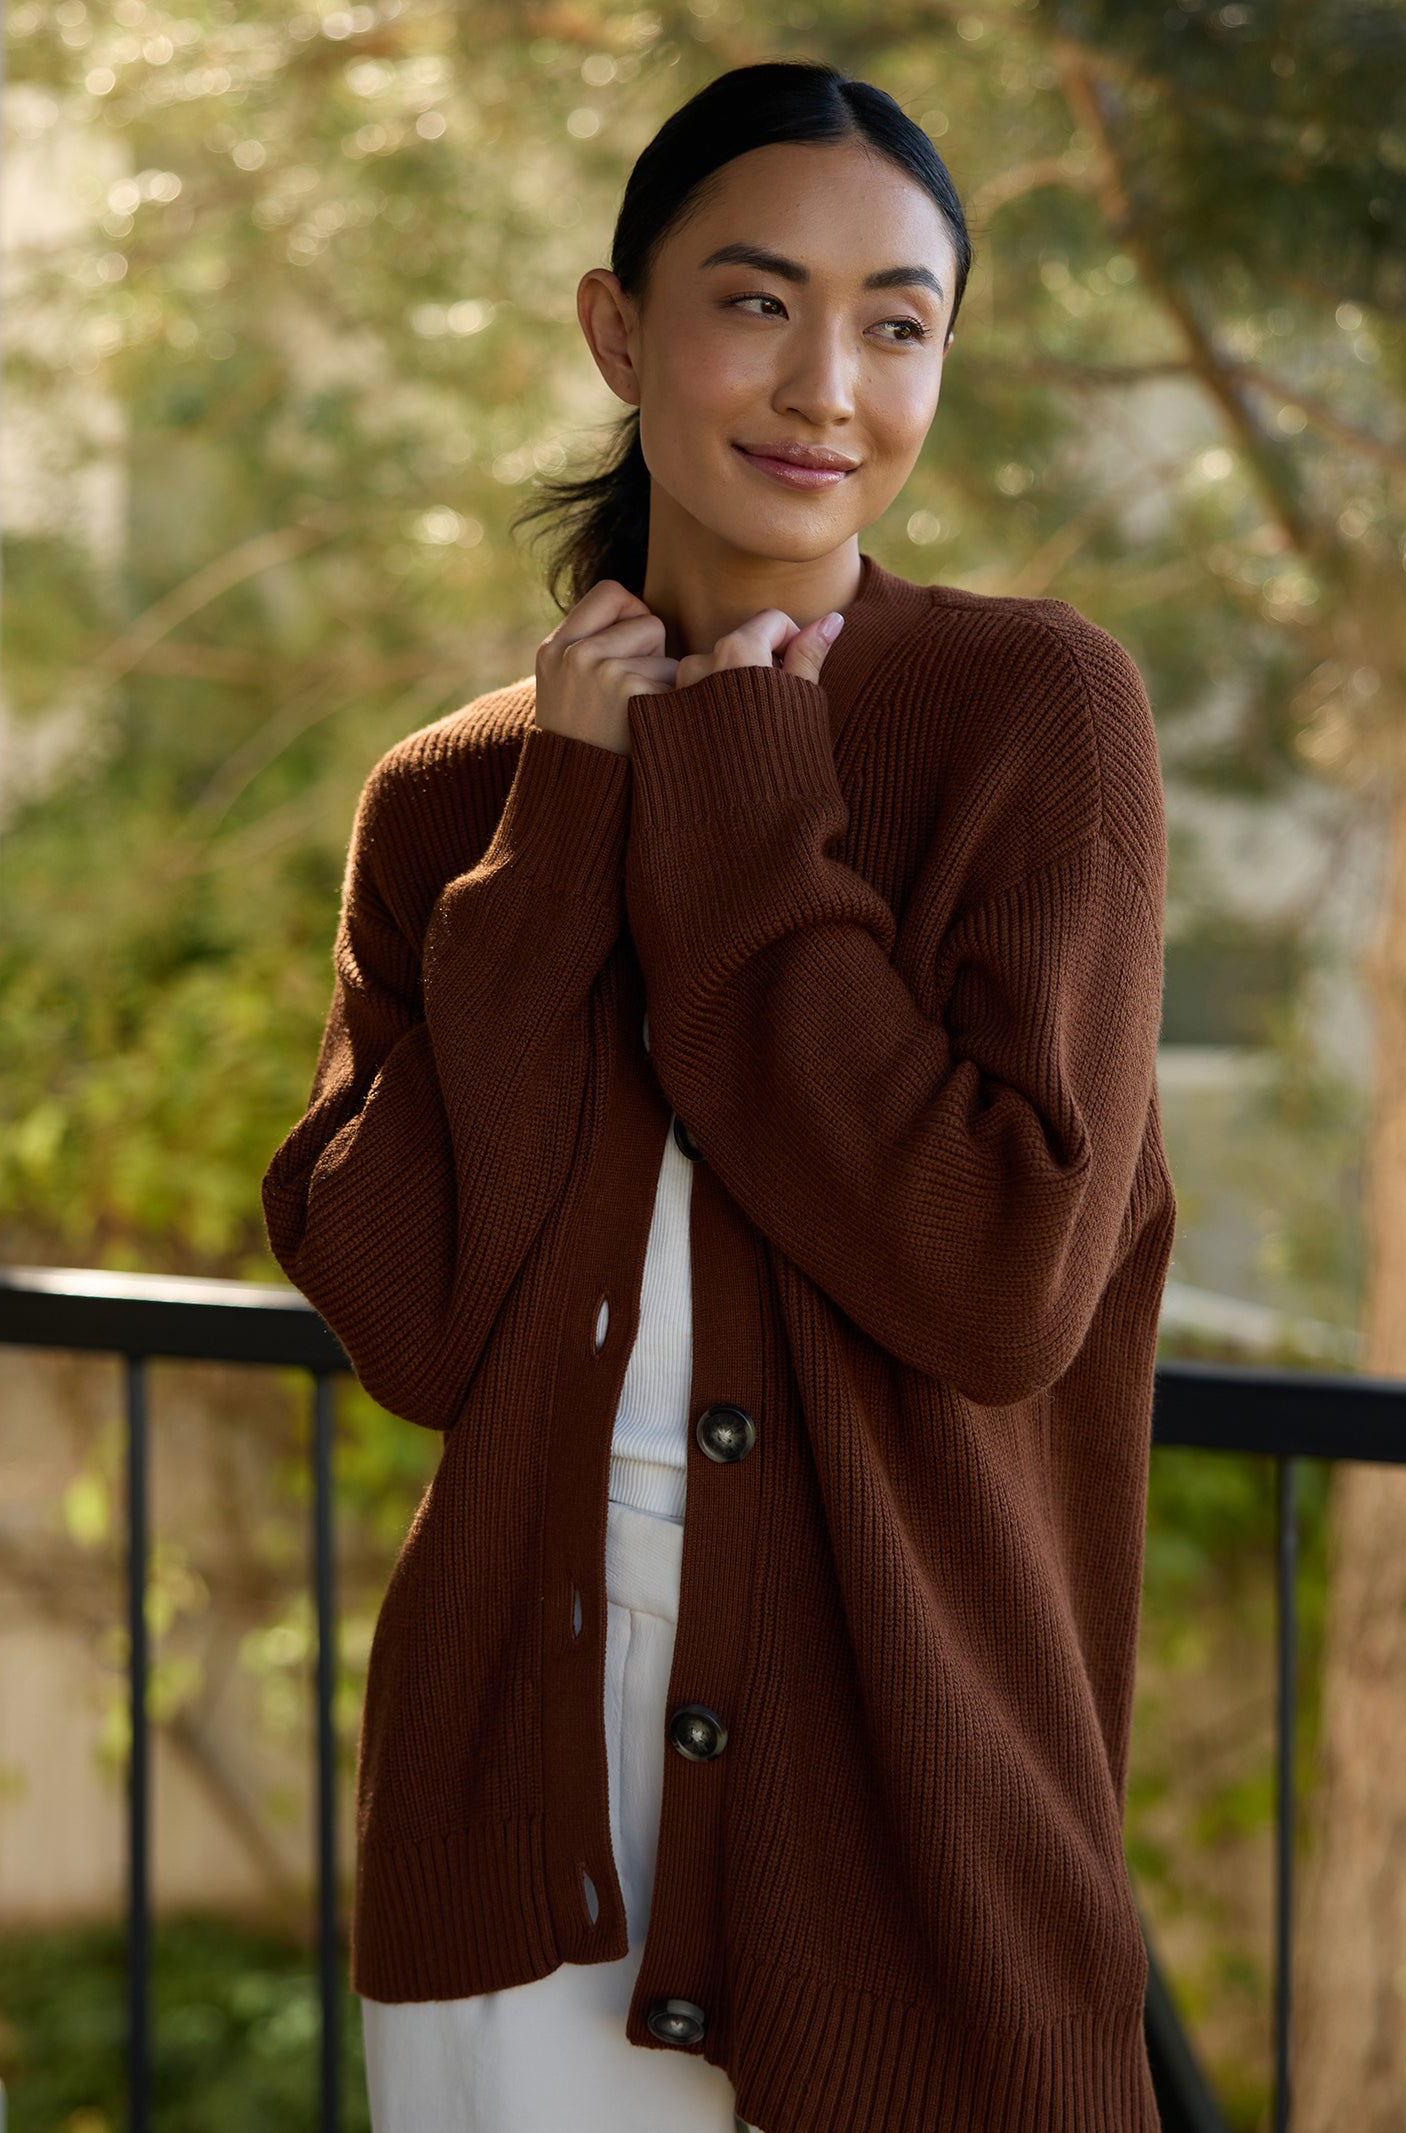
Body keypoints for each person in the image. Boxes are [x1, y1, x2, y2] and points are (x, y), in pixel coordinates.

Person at [263, 55, 1176, 2133]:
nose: (824, 385)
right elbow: (404, 1314)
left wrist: (733, 806)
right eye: (755, 300)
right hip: (518, 1801)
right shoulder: (458, 796)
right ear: (619, 328)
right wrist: (567, 836)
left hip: (905, 1789)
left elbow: (996, 1280)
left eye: (895, 321)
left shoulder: (1033, 714)